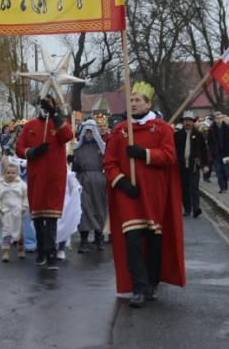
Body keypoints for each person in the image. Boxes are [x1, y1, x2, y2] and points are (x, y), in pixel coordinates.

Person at [103, 81, 185, 308]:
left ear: (149, 103)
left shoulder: (161, 128)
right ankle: (138, 288)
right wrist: (122, 184)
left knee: (154, 242)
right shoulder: (119, 131)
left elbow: (169, 157)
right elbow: (109, 163)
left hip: (154, 195)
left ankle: (151, 282)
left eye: (138, 99)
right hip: (128, 196)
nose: (134, 103)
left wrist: (143, 153)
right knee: (132, 242)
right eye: (131, 100)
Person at [17, 94, 74, 271]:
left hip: (54, 177)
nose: (45, 107)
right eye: (43, 104)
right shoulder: (30, 125)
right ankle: (41, 250)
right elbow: (19, 148)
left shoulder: (59, 123)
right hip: (36, 177)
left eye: (49, 104)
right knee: (38, 217)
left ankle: (51, 254)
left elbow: (67, 136)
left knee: (51, 218)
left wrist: (55, 115)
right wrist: (32, 152)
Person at [72, 120, 107, 253]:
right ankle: (84, 240)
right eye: (86, 131)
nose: (88, 134)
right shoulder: (77, 148)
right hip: (83, 180)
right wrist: (71, 156)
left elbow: (108, 163)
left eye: (90, 132)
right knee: (84, 209)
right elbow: (75, 167)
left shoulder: (102, 147)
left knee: (99, 209)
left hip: (99, 181)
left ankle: (99, 238)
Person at [174, 110, 208, 218]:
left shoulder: (198, 135)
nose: (187, 123)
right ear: (183, 122)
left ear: (193, 122)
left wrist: (205, 165)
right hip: (181, 165)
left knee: (194, 187)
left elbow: (204, 151)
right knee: (184, 188)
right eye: (185, 121)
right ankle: (187, 209)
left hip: (194, 165)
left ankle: (196, 208)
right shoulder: (177, 135)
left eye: (189, 120)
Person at [0, 161, 29, 262]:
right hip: (6, 212)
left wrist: (24, 207)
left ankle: (21, 250)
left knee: (19, 232)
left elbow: (26, 196)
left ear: (17, 174)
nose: (10, 175)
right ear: (4, 173)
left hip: (18, 212)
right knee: (6, 232)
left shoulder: (22, 184)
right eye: (8, 173)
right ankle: (5, 252)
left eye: (13, 173)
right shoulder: (0, 184)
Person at [56, 168, 82, 260]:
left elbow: (74, 186)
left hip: (65, 203)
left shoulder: (67, 171)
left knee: (64, 226)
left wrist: (75, 192)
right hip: (53, 201)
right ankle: (51, 247)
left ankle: (61, 249)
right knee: (53, 225)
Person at [210, 111, 229, 194]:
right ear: (215, 119)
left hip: (226, 153)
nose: (219, 120)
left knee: (225, 170)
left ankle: (225, 184)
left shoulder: (227, 128)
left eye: (221, 118)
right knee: (218, 170)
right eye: (217, 118)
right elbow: (210, 141)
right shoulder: (212, 129)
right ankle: (222, 187)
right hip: (217, 153)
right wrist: (212, 151)